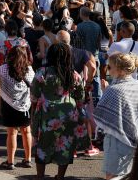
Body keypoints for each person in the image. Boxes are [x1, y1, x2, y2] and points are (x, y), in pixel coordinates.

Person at [30, 43, 89, 180]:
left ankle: (40, 176)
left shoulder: (42, 72)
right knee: (66, 145)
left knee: (43, 146)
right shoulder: (74, 75)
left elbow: (34, 96)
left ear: (50, 56)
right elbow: (80, 98)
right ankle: (60, 176)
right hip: (69, 114)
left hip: (47, 115)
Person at [94, 52, 138, 179]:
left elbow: (100, 114)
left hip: (117, 140)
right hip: (137, 138)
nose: (107, 69)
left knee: (113, 176)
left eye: (109, 67)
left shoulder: (113, 90)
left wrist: (105, 93)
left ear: (119, 70)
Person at [0, 45, 34, 170]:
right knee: (26, 131)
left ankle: (10, 161)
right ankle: (28, 159)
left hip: (8, 104)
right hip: (25, 104)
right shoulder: (29, 70)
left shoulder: (2, 69)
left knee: (11, 133)